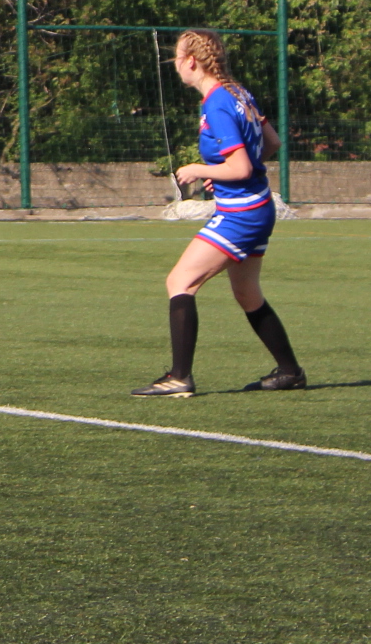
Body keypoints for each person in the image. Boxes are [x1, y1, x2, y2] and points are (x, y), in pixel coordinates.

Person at [132, 28, 308, 398]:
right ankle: (290, 371)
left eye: (177, 56)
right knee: (247, 294)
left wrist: (200, 169)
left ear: (190, 62)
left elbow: (241, 167)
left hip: (241, 213)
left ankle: (180, 377)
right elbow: (272, 142)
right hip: (257, 205)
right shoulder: (238, 92)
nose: (174, 63)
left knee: (180, 282)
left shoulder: (217, 103)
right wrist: (224, 173)